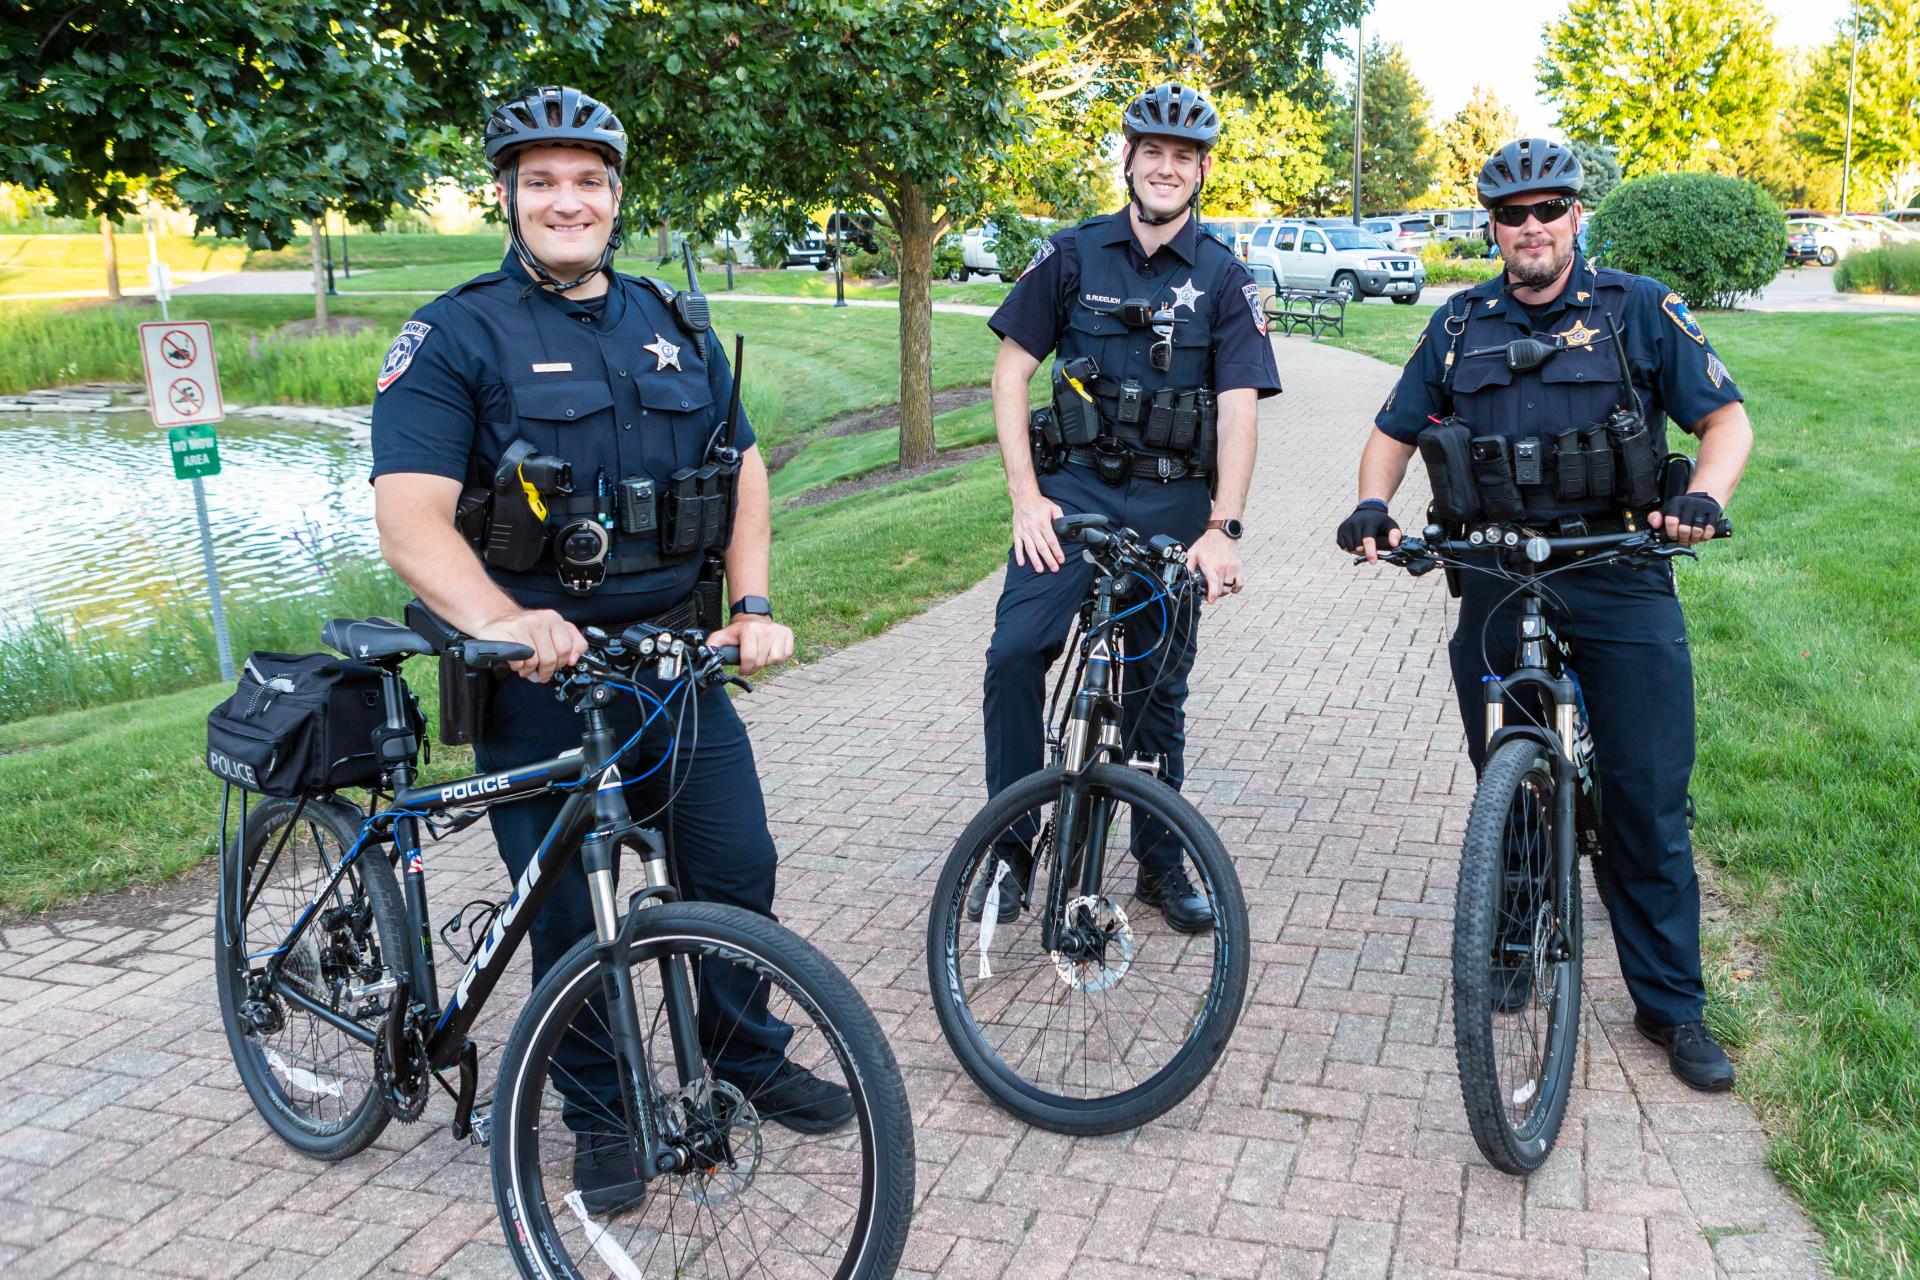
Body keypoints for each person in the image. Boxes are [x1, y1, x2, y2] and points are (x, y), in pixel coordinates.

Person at [368, 85, 850, 1211]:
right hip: (539, 677)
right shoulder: (455, 334)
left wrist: (758, 595)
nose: (566, 199)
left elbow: (743, 472)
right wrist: (501, 620)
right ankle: (599, 1108)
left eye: (587, 180)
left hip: (675, 665)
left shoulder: (672, 323)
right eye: (541, 180)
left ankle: (742, 1056)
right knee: (572, 914)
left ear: (616, 195)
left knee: (736, 869)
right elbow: (409, 514)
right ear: (508, 195)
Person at [1336, 138, 1754, 1091]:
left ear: (1575, 216)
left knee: (1646, 795)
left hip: (1618, 565)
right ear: (1491, 224)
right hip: (1494, 571)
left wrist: (1703, 500)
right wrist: (1372, 504)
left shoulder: (1638, 310)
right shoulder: (1456, 325)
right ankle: (1518, 940)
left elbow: (1724, 421)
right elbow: (1394, 431)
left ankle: (1671, 1005)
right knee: (1512, 778)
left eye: (1548, 209)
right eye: (1512, 213)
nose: (1530, 227)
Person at [974, 83, 1282, 931]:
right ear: (1130, 159)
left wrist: (1223, 528)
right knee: (1013, 654)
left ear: (1202, 171)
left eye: (1184, 157)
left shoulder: (1223, 277)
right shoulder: (1071, 255)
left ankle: (1157, 860)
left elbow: (1241, 405)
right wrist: (1025, 499)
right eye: (1154, 152)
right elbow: (1009, 375)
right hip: (1069, 495)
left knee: (1157, 687)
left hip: (1172, 505)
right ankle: (1007, 850)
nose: (1167, 168)